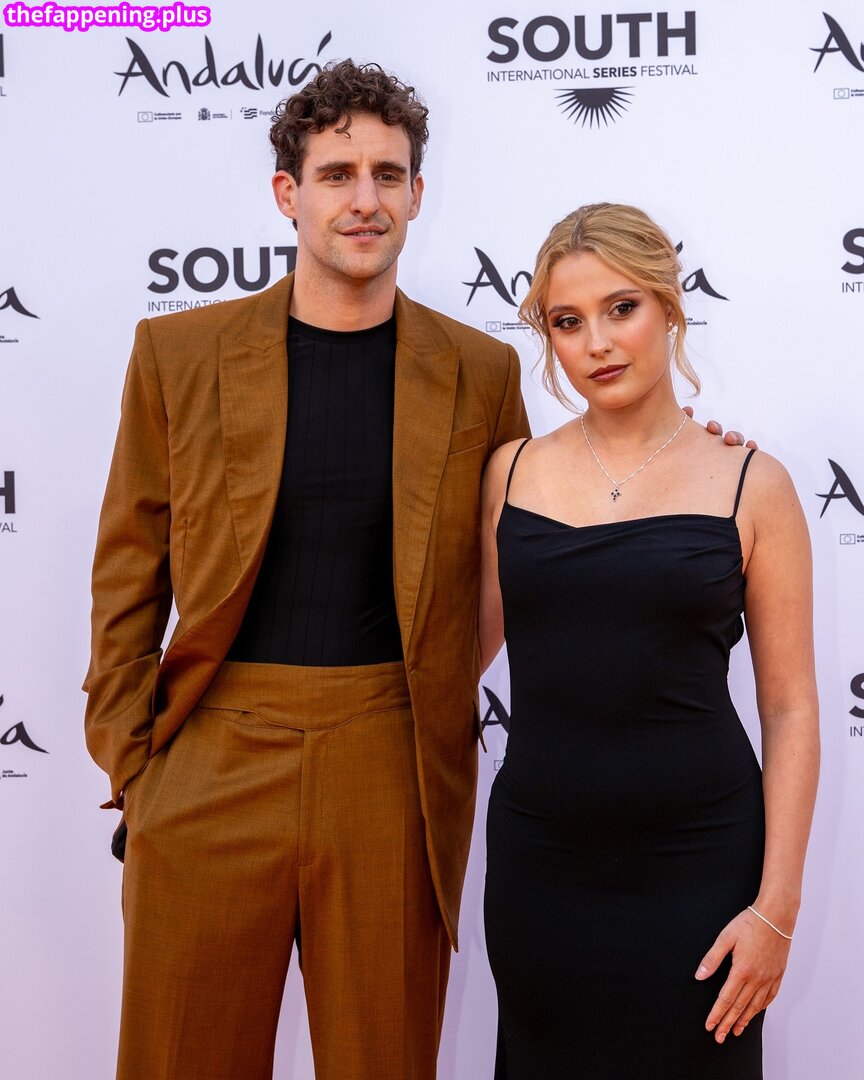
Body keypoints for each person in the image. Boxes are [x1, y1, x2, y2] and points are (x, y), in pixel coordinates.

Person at [83, 60, 530, 1080]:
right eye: (337, 174)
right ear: (289, 194)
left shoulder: (482, 370)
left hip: (390, 758)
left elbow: (514, 556)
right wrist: (136, 767)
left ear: (418, 193)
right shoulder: (178, 353)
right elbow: (126, 575)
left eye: (387, 174)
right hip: (210, 751)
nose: (364, 199)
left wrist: (681, 452)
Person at [479, 203, 819, 1079]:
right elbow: (454, 656)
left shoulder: (753, 483)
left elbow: (789, 707)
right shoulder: (509, 473)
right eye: (567, 322)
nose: (596, 342)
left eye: (621, 308)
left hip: (703, 870)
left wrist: (776, 908)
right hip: (540, 873)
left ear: (670, 305)